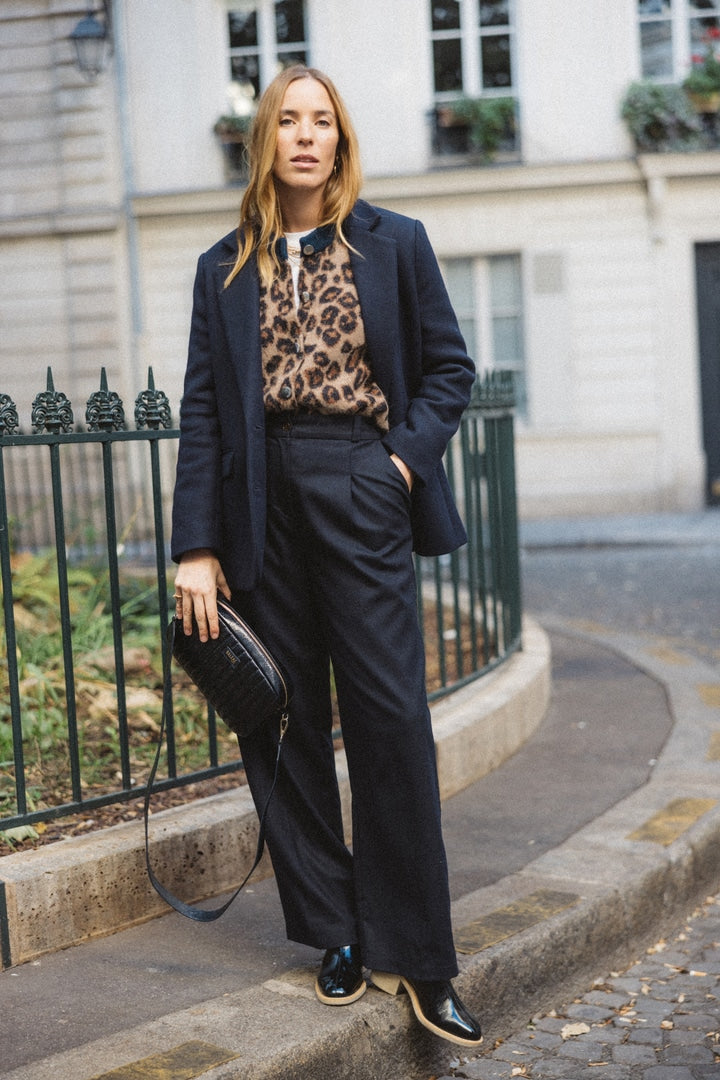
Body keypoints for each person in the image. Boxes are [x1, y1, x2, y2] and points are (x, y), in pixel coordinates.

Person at [171, 64, 482, 1048]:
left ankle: (420, 955)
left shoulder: (394, 243)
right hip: (260, 503)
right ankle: (335, 930)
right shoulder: (224, 266)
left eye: (323, 121)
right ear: (264, 140)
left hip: (361, 480)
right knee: (283, 718)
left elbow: (450, 369)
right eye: (289, 121)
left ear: (340, 139)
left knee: (391, 717)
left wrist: (399, 463)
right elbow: (203, 411)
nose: (306, 136)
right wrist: (196, 547)